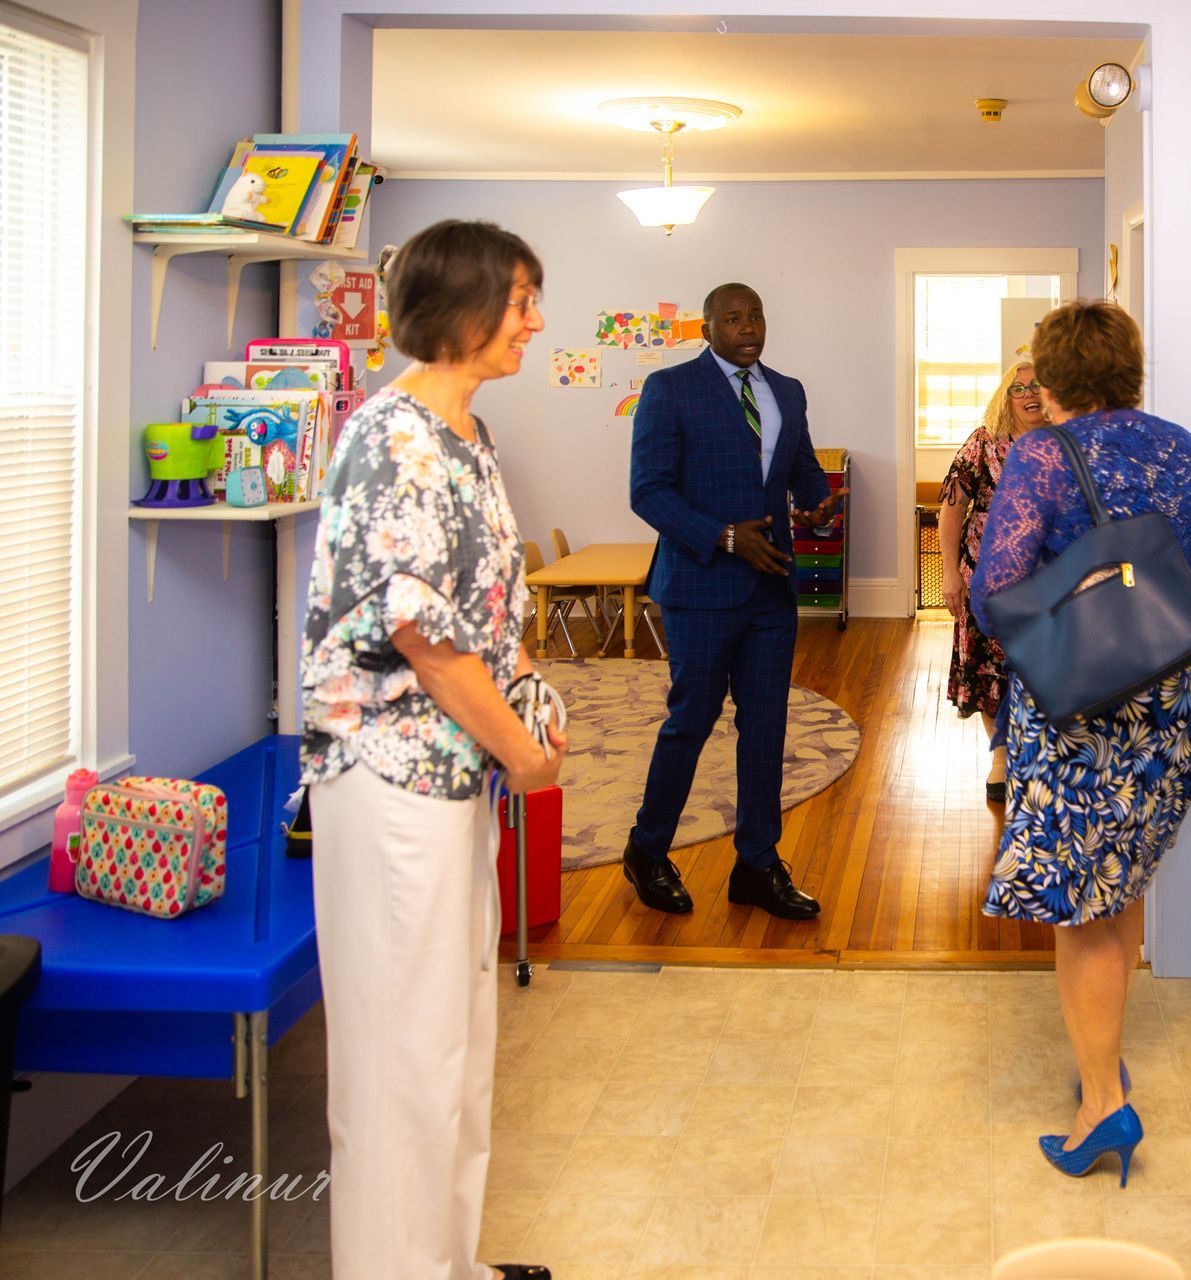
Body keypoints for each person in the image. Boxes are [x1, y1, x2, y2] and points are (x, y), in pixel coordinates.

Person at [300, 219, 565, 1280]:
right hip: (394, 776)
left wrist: (529, 696)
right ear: (460, 311)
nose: (534, 322)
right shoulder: (394, 436)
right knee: (401, 1058)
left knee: (454, 1041)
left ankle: (447, 1263)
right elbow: (422, 632)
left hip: (450, 774)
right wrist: (524, 754)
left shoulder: (466, 434)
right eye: (519, 302)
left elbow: (484, 610)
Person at [971, 299, 1191, 1186]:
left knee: (1084, 906)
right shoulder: (1185, 448)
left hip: (1085, 708)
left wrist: (1078, 576)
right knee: (1120, 882)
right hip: (1181, 704)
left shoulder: (1042, 454)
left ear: (1048, 378)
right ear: (1129, 368)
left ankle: (1100, 1105)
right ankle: (1104, 1054)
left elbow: (993, 592)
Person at [623, 282, 845, 920]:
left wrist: (819, 506)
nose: (747, 326)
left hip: (771, 589)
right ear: (707, 327)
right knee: (690, 722)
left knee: (766, 728)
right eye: (732, 317)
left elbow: (800, 472)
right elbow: (649, 493)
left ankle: (756, 863)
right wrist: (723, 536)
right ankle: (647, 848)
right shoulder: (670, 390)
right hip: (698, 587)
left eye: (756, 315)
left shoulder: (788, 391)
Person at [940, 360, 1048, 802]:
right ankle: (1001, 758)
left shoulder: (1063, 444)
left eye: (1037, 385)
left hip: (1047, 583)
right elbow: (950, 507)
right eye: (1018, 388)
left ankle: (1038, 755)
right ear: (1006, 398)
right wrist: (949, 572)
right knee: (989, 669)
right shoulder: (984, 443)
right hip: (986, 582)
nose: (1029, 394)